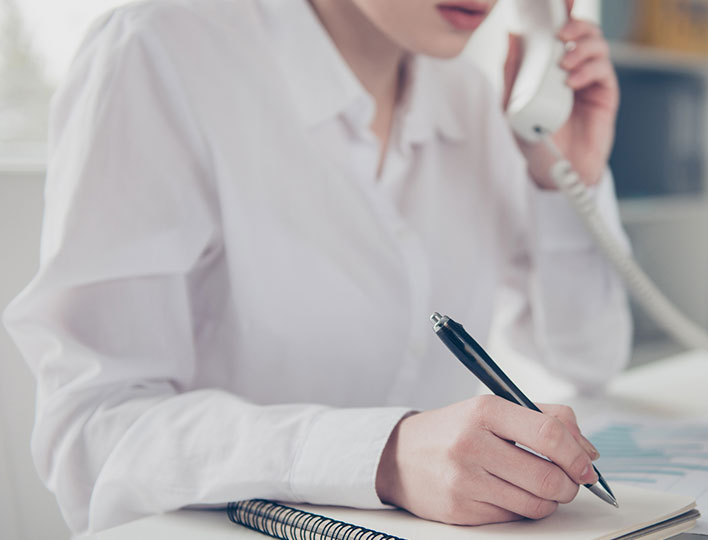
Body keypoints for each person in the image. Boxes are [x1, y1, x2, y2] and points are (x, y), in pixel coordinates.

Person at [3, 0, 632, 534]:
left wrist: (564, 180)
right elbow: (91, 433)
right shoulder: (158, 48)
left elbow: (588, 358)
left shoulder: (471, 99)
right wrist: (381, 456)